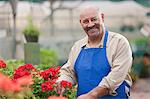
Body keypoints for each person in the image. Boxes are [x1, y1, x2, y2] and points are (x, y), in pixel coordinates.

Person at [57, 6, 133, 99]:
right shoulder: (78, 46)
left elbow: (116, 76)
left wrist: (92, 95)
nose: (90, 24)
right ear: (80, 23)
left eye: (94, 19)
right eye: (85, 21)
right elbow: (69, 72)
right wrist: (62, 83)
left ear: (102, 17)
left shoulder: (118, 42)